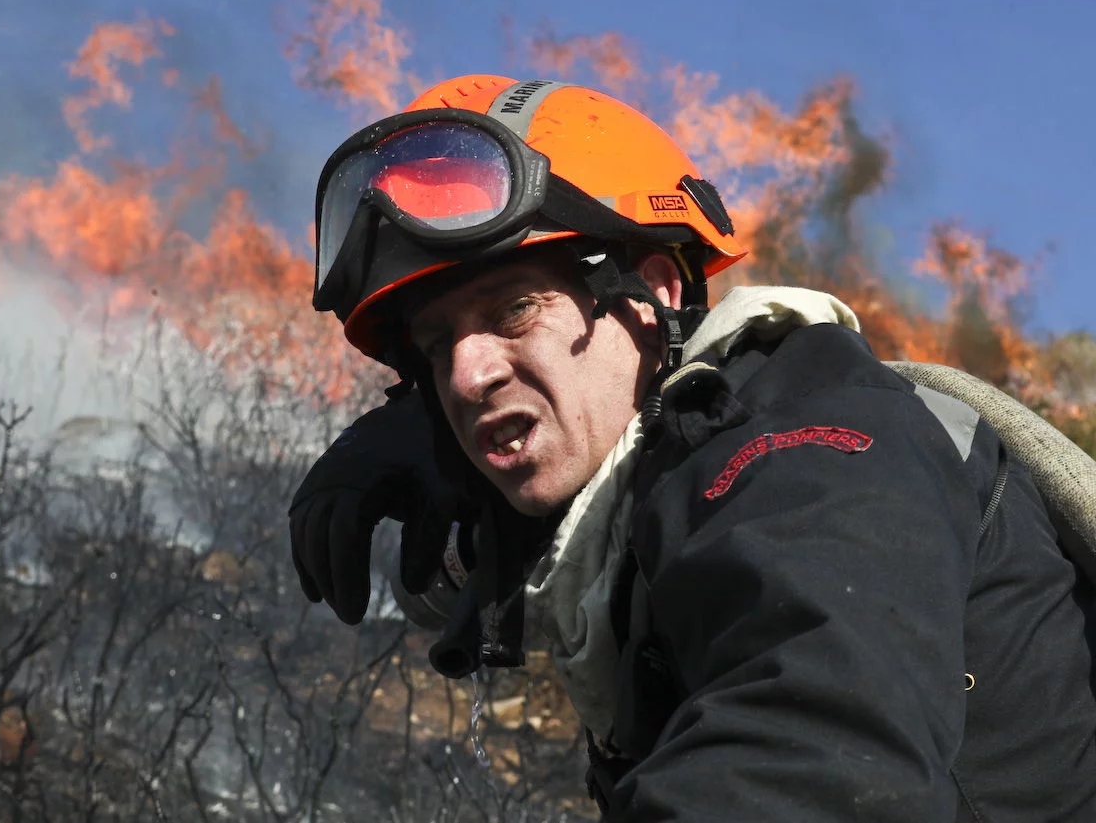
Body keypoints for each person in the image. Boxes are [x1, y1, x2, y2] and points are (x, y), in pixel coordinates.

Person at [289, 74, 1096, 821]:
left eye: (512, 312)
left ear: (654, 294)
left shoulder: (812, 453)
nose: (468, 377)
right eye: (438, 346)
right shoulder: (649, 503)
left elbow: (811, 763)